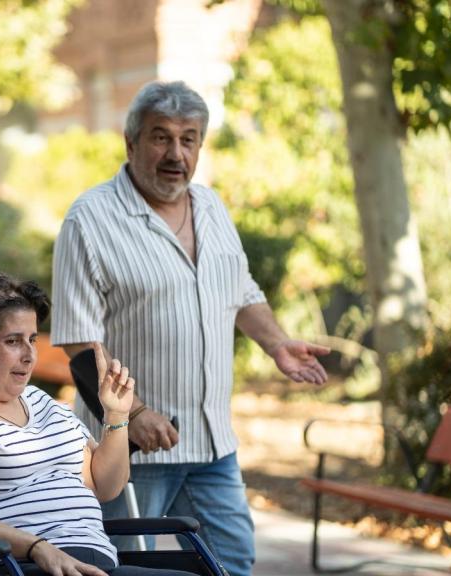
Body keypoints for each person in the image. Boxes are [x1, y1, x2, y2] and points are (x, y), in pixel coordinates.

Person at [51, 81, 330, 576]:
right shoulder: (89, 219)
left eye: (189, 139)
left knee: (232, 563)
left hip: (213, 444)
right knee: (130, 569)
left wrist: (276, 344)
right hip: (129, 451)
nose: (175, 153)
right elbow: (78, 341)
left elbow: (241, 292)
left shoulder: (212, 208)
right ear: (131, 143)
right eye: (160, 137)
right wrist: (132, 413)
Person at [0, 273, 197, 576]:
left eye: (31, 339)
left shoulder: (43, 403)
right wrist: (36, 547)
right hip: (10, 565)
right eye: (13, 341)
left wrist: (117, 416)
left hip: (89, 562)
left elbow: (105, 486)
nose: (29, 355)